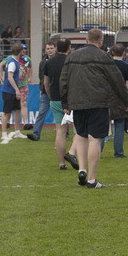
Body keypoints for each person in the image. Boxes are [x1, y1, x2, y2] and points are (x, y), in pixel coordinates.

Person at [59, 28, 128, 189]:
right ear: (100, 40)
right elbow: (116, 79)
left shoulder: (72, 56)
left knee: (82, 136)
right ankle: (92, 179)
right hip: (98, 102)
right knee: (95, 139)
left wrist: (65, 103)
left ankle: (82, 169)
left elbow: (63, 80)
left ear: (86, 39)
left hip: (77, 103)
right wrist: (126, 100)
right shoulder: (103, 56)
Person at [44, 39, 78, 169]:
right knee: (79, 131)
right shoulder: (72, 61)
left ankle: (61, 163)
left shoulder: (49, 62)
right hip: (71, 100)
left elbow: (46, 83)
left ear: (57, 48)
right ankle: (73, 154)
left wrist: (50, 96)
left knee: (60, 131)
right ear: (69, 47)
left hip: (55, 99)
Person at [110, 44, 128, 159]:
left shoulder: (107, 65)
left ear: (111, 52)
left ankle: (98, 149)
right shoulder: (126, 66)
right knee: (119, 125)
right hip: (120, 98)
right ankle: (118, 152)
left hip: (105, 97)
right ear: (124, 53)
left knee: (102, 125)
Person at [28, 41, 56, 141]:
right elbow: (41, 77)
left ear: (55, 48)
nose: (50, 50)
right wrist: (42, 88)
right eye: (48, 49)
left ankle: (64, 133)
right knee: (41, 113)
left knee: (61, 114)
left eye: (51, 48)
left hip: (57, 92)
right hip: (45, 91)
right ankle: (36, 134)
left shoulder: (60, 60)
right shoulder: (43, 62)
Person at [0, 43, 25, 144]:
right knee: (7, 112)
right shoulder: (12, 63)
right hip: (8, 91)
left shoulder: (14, 61)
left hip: (12, 90)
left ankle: (17, 131)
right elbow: (10, 77)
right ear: (20, 51)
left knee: (17, 110)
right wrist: (17, 90)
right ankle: (4, 133)